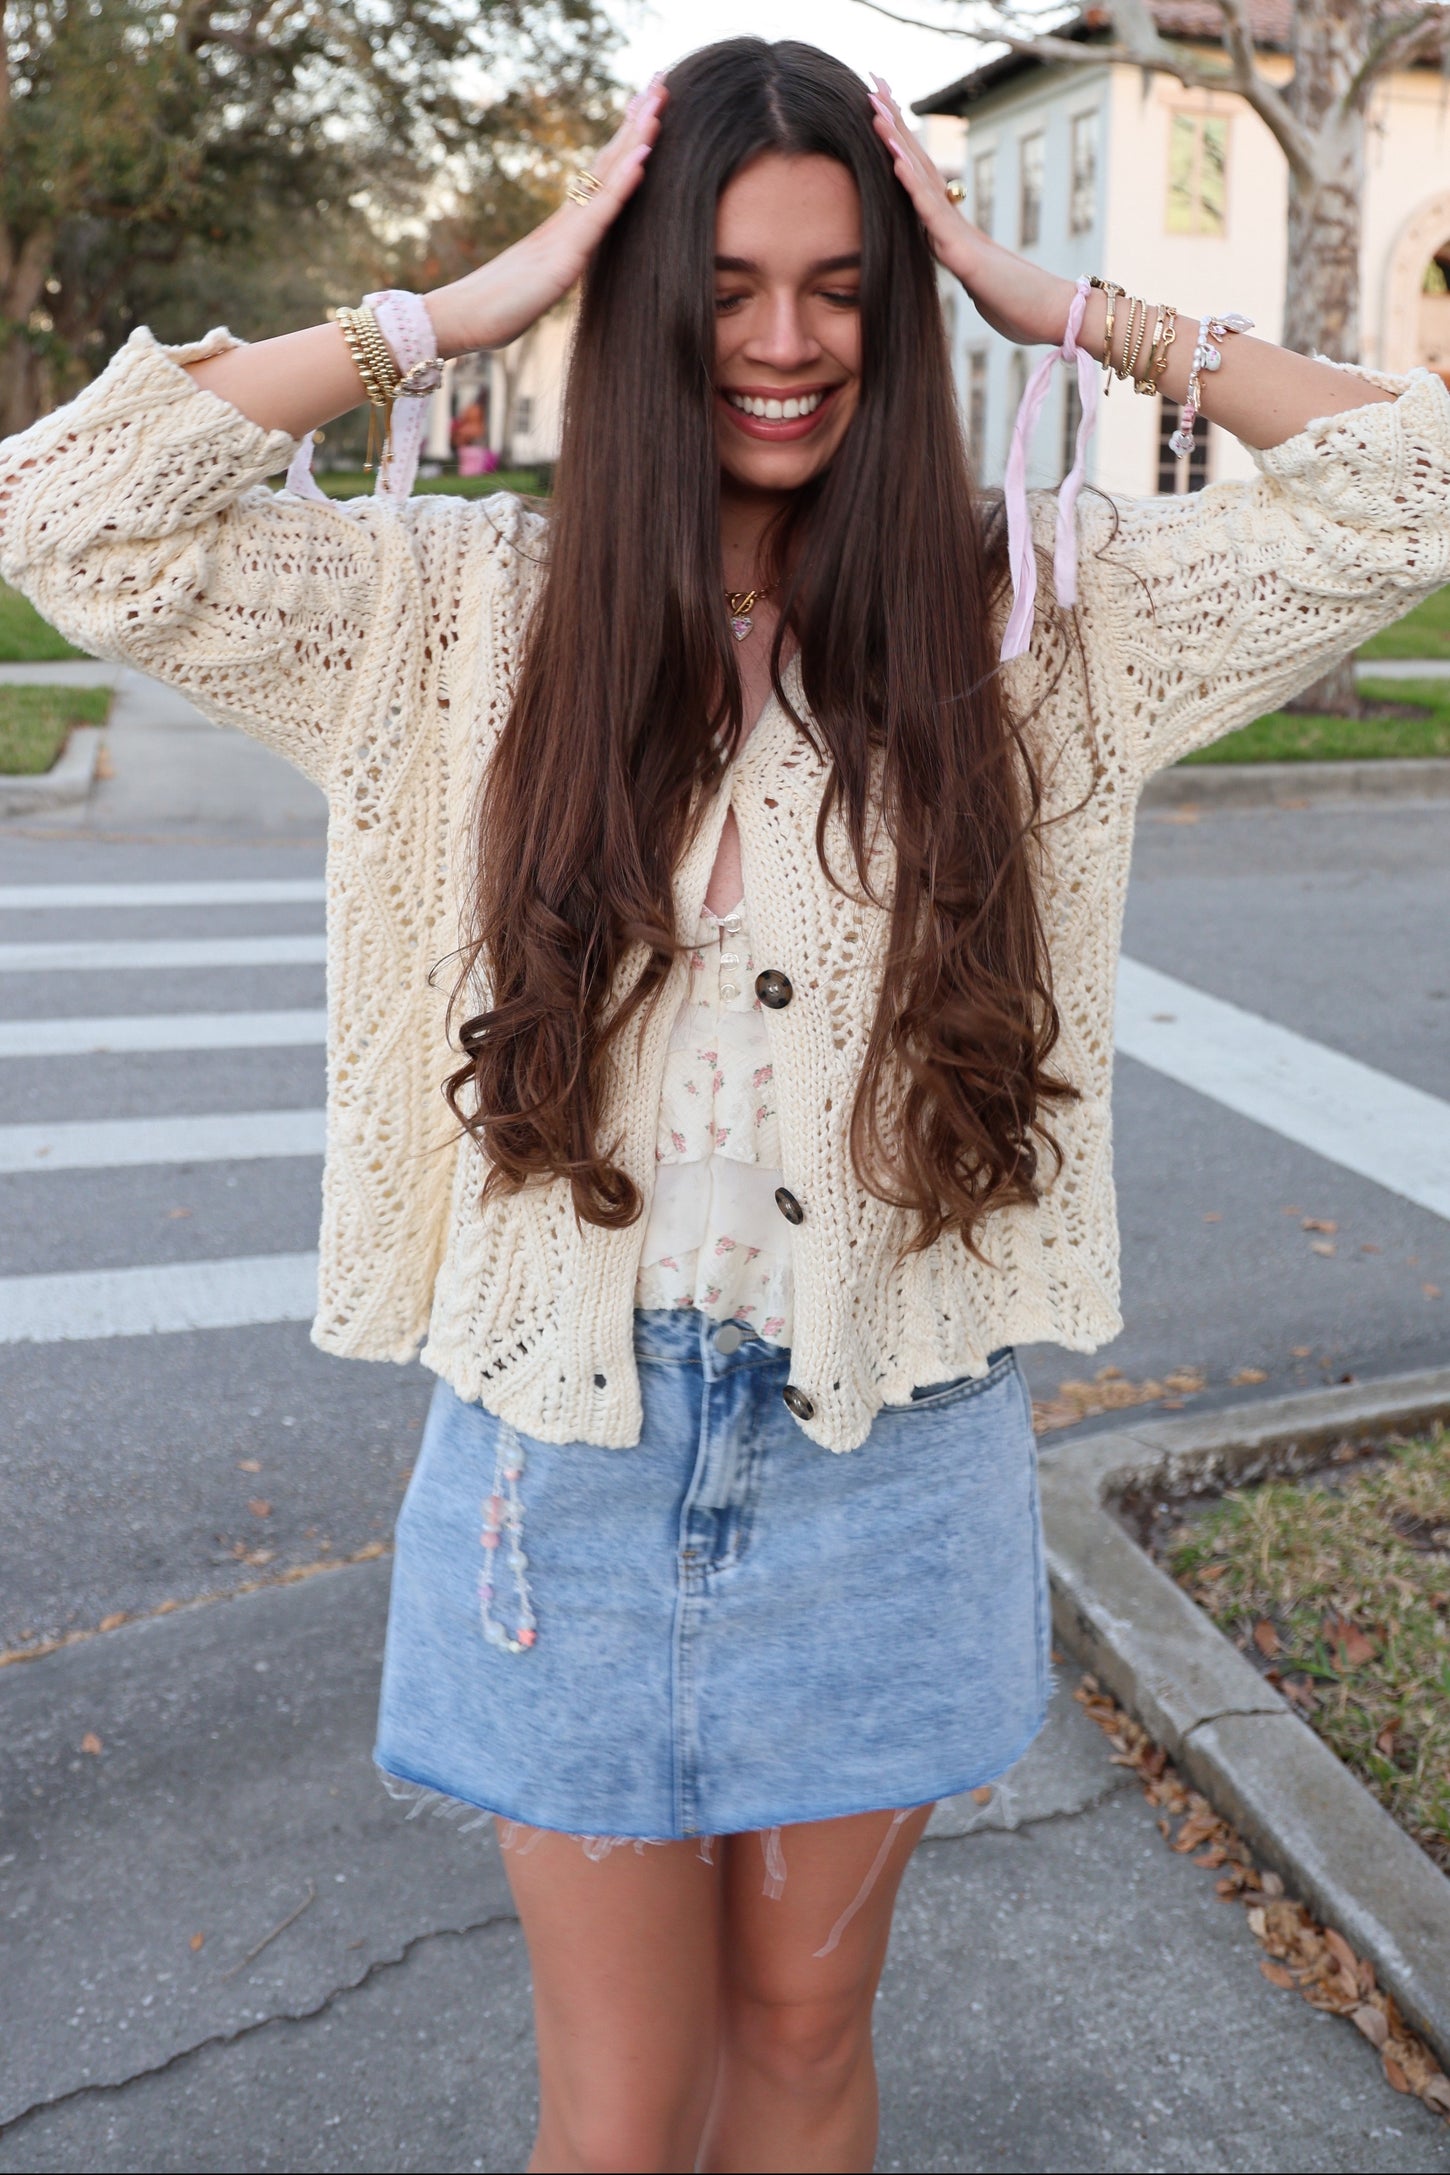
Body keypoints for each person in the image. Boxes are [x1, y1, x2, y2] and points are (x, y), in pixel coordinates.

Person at [3, 37, 1447, 2174]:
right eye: (723, 285)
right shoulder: (456, 613)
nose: (781, 342)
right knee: (611, 2110)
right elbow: (71, 513)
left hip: (891, 1449)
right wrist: (458, 308)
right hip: (558, 1464)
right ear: (638, 300)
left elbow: (1410, 483)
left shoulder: (1038, 609)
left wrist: (1069, 308)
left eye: (842, 283)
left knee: (800, 2044)